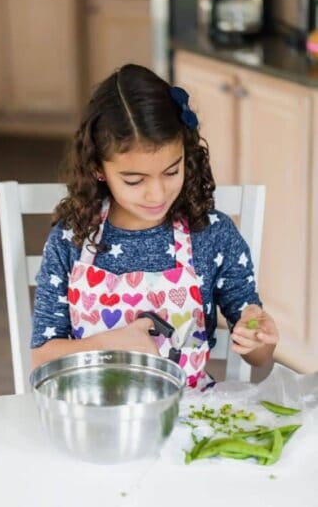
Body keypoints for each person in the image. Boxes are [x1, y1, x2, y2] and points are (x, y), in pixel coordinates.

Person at [31, 64, 278, 390]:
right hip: (100, 417)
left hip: (191, 416)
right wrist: (110, 344)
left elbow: (258, 354)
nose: (157, 194)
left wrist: (259, 337)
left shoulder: (212, 233)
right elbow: (42, 357)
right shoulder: (71, 238)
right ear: (98, 169)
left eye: (172, 172)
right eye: (134, 180)